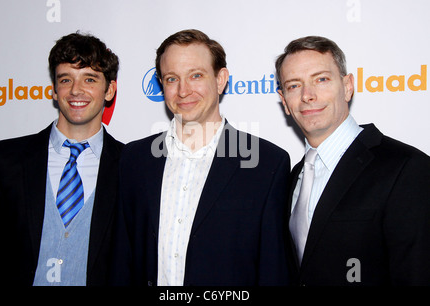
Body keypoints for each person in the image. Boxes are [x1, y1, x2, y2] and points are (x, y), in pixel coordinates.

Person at [113, 29, 290, 286]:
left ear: (220, 80)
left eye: (196, 75)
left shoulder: (266, 164)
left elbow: (273, 271)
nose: (183, 91)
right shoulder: (134, 159)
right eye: (172, 78)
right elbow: (122, 259)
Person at [275, 35, 430, 286]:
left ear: (347, 86)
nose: (307, 95)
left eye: (321, 79)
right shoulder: (292, 177)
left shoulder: (406, 168)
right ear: (284, 101)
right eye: (294, 85)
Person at [0, 32, 123, 286]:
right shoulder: (4, 160)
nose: (76, 90)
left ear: (109, 90)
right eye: (66, 79)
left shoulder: (130, 166)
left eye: (89, 79)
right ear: (55, 91)